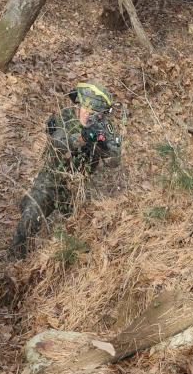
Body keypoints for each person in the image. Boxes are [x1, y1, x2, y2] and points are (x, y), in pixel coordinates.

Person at [11, 81, 122, 258]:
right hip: (51, 180)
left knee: (85, 230)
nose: (91, 116)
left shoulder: (104, 127)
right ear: (79, 105)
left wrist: (104, 147)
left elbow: (113, 162)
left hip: (77, 187)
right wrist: (83, 138)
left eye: (96, 113)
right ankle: (15, 260)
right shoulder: (65, 116)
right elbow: (59, 143)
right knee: (29, 216)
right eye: (88, 110)